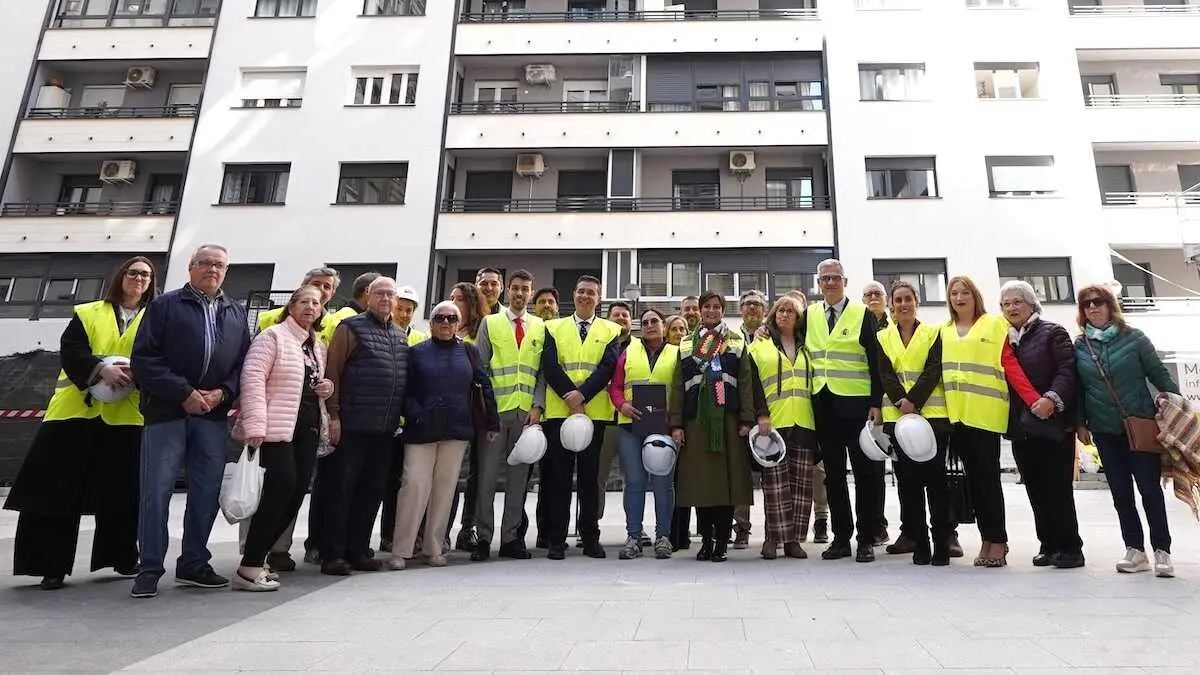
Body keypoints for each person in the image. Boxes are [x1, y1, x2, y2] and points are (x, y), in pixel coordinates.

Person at [5, 257, 157, 591]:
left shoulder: (156, 318)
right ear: (120, 277)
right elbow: (71, 351)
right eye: (133, 272)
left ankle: (121, 557)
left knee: (123, 493)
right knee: (55, 492)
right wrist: (101, 370)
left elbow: (159, 359)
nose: (139, 278)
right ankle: (49, 566)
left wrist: (137, 375)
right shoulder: (89, 312)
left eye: (146, 274)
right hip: (73, 413)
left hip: (126, 417)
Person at [130, 244, 250, 599]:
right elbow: (145, 359)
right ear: (191, 267)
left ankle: (194, 563)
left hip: (212, 416)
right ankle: (150, 566)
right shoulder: (164, 305)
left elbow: (244, 363)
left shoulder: (235, 312)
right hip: (167, 412)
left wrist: (222, 394)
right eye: (206, 263)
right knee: (157, 491)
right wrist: (184, 392)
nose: (213, 269)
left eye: (220, 265)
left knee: (206, 492)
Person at [232, 286, 334, 591]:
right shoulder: (273, 337)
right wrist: (254, 424)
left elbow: (312, 383)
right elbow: (252, 379)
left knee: (296, 492)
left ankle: (257, 558)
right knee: (281, 489)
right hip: (275, 429)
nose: (310, 307)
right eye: (304, 302)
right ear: (291, 306)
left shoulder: (316, 345)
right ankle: (249, 567)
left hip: (306, 429)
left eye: (315, 303)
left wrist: (325, 387)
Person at [1074, 283, 1179, 577]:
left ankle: (1162, 551)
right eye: (1087, 304)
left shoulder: (1135, 338)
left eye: (1098, 302)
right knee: (1121, 494)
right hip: (1105, 431)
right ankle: (1134, 550)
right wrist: (1081, 424)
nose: (1093, 308)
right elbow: (1079, 389)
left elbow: (1158, 374)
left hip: (1140, 425)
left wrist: (1176, 406)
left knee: (1149, 491)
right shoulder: (1081, 346)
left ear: (1110, 305)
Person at [389, 301, 499, 570]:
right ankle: (401, 549)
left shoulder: (469, 352)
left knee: (445, 489)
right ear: (431, 322)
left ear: (458, 323)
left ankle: (434, 547)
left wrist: (492, 423)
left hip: (456, 430)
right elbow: (402, 389)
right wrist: (415, 413)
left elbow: (484, 386)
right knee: (414, 485)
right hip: (421, 430)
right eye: (440, 318)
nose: (446, 323)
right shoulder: (415, 353)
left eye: (452, 319)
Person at [942, 275, 1038, 568]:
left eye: (965, 292)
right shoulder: (944, 331)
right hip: (956, 418)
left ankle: (998, 540)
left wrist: (1034, 399)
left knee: (988, 482)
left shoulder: (996, 325)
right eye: (954, 293)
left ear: (975, 296)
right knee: (974, 484)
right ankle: (987, 539)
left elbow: (1010, 364)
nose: (959, 298)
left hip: (985, 416)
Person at [320, 276, 408, 576]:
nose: (385, 299)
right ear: (367, 297)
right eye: (379, 293)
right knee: (341, 489)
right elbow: (334, 371)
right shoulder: (351, 328)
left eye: (390, 295)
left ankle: (357, 550)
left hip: (384, 430)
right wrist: (333, 415)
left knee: (371, 492)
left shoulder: (399, 335)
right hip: (351, 426)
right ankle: (332, 554)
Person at [535, 275, 622, 559]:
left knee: (589, 480)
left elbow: (607, 368)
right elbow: (549, 365)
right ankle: (557, 540)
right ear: (573, 294)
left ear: (599, 298)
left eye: (591, 293)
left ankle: (590, 537)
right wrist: (570, 397)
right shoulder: (552, 326)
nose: (586, 296)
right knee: (559, 478)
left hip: (594, 414)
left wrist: (581, 395)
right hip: (560, 413)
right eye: (581, 291)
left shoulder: (611, 329)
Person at [1000, 280, 1085, 569]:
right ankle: (1048, 544)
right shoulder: (1004, 339)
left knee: (1057, 487)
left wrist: (1051, 398)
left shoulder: (1052, 332)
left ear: (1031, 304)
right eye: (1006, 304)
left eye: (1016, 302)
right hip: (1021, 426)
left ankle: (1070, 547)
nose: (1011, 308)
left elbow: (1067, 371)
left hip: (1052, 422)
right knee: (1035, 487)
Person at [807, 259, 884, 563]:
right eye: (824, 278)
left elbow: (875, 361)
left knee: (865, 474)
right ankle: (841, 538)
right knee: (834, 476)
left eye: (835, 278)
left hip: (857, 406)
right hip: (824, 405)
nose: (829, 283)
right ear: (818, 282)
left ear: (845, 281)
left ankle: (866, 538)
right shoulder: (810, 314)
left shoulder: (863, 314)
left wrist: (876, 402)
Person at [669, 291, 755, 563]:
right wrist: (676, 424)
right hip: (696, 422)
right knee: (701, 485)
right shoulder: (685, 344)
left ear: (722, 310)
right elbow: (677, 385)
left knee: (726, 484)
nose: (711, 311)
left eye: (717, 307)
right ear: (699, 310)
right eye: (706, 307)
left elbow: (745, 382)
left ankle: (721, 542)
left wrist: (746, 419)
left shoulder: (737, 342)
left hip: (727, 422)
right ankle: (705, 540)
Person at [301, 271, 378, 567]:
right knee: (331, 483)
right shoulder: (344, 319)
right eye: (318, 286)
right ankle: (320, 544)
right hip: (334, 411)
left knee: (332, 482)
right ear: (366, 293)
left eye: (328, 287)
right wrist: (334, 412)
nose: (323, 292)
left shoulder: (340, 316)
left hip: (337, 410)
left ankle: (327, 543)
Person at [877, 280, 951, 566]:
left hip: (931, 417)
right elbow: (885, 373)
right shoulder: (883, 337)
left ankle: (941, 544)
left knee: (936, 483)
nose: (904, 304)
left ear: (916, 301)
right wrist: (901, 402)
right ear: (892, 305)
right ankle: (920, 544)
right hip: (899, 420)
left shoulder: (934, 333)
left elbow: (934, 369)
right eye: (898, 300)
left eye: (908, 298)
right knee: (909, 485)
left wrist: (914, 401)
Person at [472, 270, 544, 561]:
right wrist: (487, 413)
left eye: (525, 289)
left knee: (518, 480)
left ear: (530, 292)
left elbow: (541, 374)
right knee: (487, 479)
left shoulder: (540, 326)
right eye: (515, 288)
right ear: (507, 291)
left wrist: (537, 407)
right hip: (495, 415)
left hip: (525, 415)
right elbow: (480, 371)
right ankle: (483, 537)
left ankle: (511, 538)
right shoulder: (490, 324)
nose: (519, 293)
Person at [746, 295, 816, 560]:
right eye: (780, 310)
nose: (785, 314)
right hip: (773, 423)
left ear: (798, 319)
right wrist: (761, 415)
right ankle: (772, 539)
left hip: (805, 422)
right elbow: (752, 383)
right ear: (773, 315)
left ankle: (794, 541)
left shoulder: (808, 345)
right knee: (775, 487)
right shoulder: (759, 345)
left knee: (801, 488)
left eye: (791, 311)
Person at [609, 308, 679, 560]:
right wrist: (622, 405)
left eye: (655, 321)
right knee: (635, 482)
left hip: (664, 427)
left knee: (663, 483)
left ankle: (663, 536)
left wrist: (675, 415)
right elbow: (615, 387)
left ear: (663, 326)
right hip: (630, 426)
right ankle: (634, 536)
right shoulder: (628, 352)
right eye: (645, 322)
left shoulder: (677, 353)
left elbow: (681, 389)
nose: (650, 325)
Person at [379, 284, 429, 554]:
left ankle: (407, 533)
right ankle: (387, 534)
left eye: (410, 310)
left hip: (410, 420)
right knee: (388, 481)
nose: (404, 314)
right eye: (401, 308)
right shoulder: (384, 334)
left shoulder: (421, 339)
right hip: (387, 419)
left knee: (408, 482)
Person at [447, 281, 490, 551]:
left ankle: (468, 527)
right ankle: (440, 529)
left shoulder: (480, 332)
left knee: (476, 472)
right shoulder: (444, 329)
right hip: (450, 411)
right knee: (448, 474)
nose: (454, 302)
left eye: (459, 299)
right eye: (451, 297)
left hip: (476, 410)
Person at [784, 290, 829, 546]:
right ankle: (788, 528)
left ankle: (821, 519)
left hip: (816, 414)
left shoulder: (810, 338)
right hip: (791, 415)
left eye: (797, 310)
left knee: (818, 471)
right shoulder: (777, 338)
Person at [733, 290, 768, 549]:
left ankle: (774, 530)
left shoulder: (773, 335)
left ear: (764, 309)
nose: (752, 308)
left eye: (757, 304)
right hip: (740, 415)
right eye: (747, 305)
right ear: (740, 310)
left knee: (771, 475)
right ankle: (741, 528)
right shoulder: (731, 339)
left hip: (770, 413)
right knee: (740, 473)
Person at [596, 302, 635, 531]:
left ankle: (634, 529)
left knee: (633, 478)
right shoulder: (598, 344)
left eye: (625, 315)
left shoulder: (638, 347)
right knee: (597, 477)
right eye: (616, 315)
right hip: (603, 418)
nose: (621, 318)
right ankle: (590, 526)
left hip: (629, 421)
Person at [255, 267, 344, 344]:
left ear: (332, 294)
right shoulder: (270, 317)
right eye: (316, 284)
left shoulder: (335, 327)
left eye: (327, 287)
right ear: (303, 286)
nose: (321, 289)